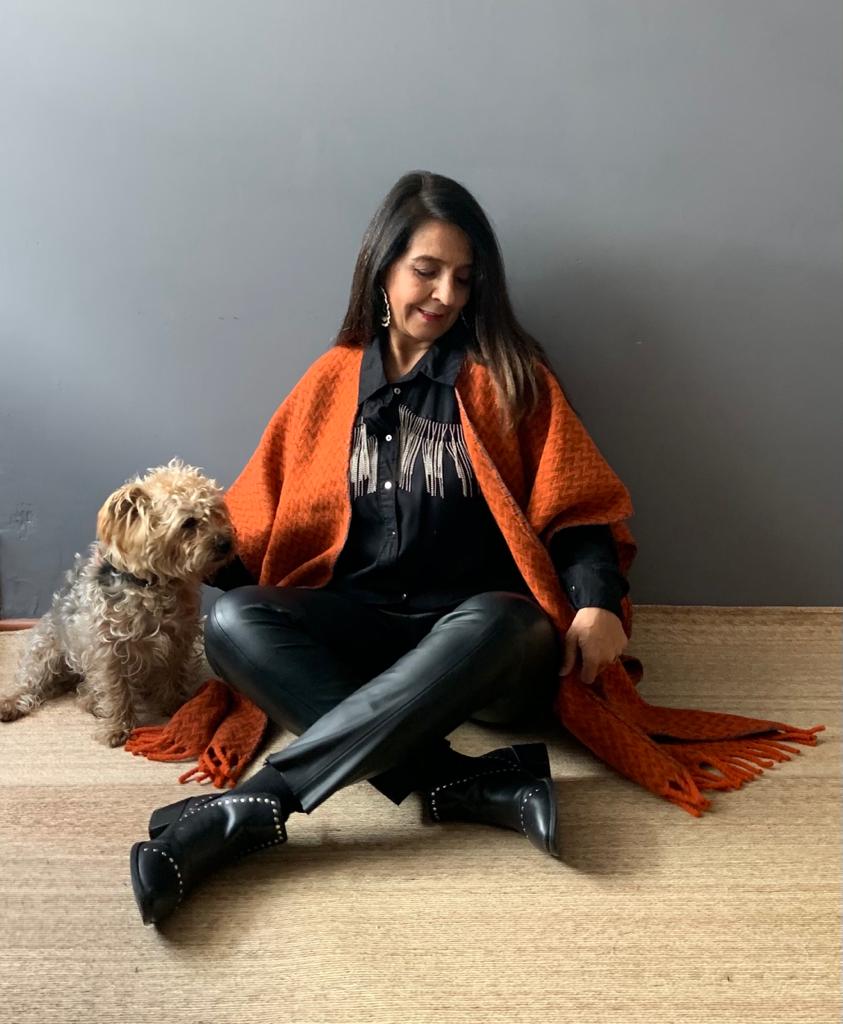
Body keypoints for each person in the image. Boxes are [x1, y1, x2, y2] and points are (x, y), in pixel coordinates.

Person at [129, 170, 633, 926]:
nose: (445, 294)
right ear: (382, 267)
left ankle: (255, 806)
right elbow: (262, 517)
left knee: (506, 619)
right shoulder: (332, 381)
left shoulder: (509, 377)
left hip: (479, 649)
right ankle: (463, 782)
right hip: (359, 630)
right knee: (233, 623)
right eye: (426, 270)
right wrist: (176, 547)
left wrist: (597, 601)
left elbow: (576, 507)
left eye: (463, 278)